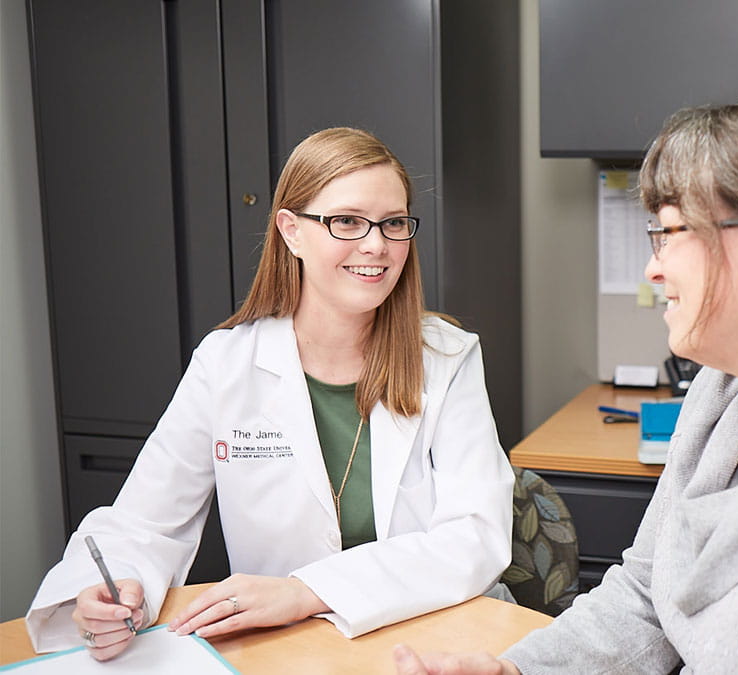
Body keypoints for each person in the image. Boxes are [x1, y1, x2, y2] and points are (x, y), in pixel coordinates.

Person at [395, 100, 738, 674]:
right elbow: (645, 597)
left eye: (668, 233)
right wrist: (515, 672)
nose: (652, 268)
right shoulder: (720, 397)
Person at [26, 127, 514, 659]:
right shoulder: (227, 364)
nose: (376, 245)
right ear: (291, 231)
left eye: (393, 223)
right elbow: (144, 521)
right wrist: (112, 593)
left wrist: (305, 591)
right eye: (346, 221)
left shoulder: (445, 358)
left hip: (436, 638)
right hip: (293, 652)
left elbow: (475, 534)